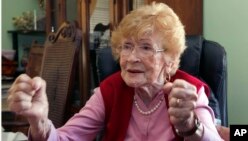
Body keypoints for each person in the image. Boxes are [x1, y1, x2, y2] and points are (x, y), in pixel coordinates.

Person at [7, 2, 223, 141]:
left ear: (170, 59)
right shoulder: (109, 90)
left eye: (146, 47)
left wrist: (190, 127)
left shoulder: (189, 91)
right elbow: (66, 138)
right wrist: (40, 122)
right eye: (127, 46)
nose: (131, 57)